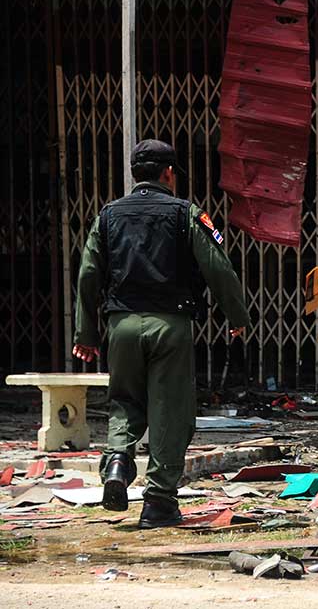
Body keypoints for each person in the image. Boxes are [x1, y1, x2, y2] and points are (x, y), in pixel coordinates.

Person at [72, 139, 249, 528]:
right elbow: (218, 269)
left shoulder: (108, 216)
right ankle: (159, 502)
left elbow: (87, 274)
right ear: (169, 174)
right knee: (170, 410)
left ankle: (117, 463)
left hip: (121, 325)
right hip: (170, 325)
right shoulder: (187, 213)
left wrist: (85, 332)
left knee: (125, 402)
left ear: (136, 174)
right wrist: (236, 314)